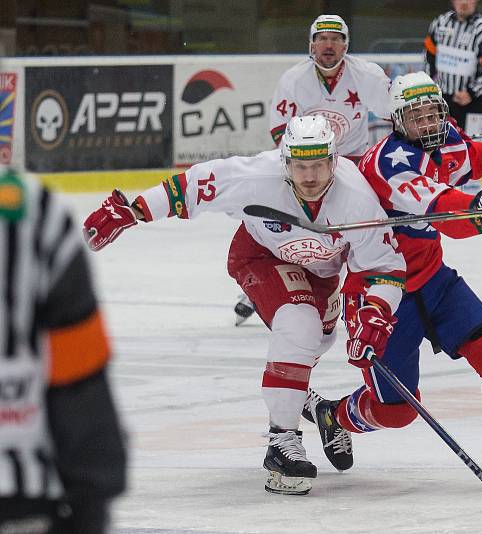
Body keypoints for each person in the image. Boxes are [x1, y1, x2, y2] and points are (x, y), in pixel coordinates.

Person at [82, 116, 405, 496]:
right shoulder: (256, 177)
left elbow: (385, 267)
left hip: (321, 274)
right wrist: (134, 210)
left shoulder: (357, 197)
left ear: (333, 161)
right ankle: (282, 442)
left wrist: (377, 310)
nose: (310, 175)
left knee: (319, 340)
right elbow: (192, 186)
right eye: (300, 165)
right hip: (260, 257)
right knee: (299, 325)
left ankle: (307, 401)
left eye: (318, 164)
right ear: (285, 161)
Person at [303, 72, 482, 486]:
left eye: (433, 113)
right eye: (416, 117)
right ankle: (335, 416)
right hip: (383, 294)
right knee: (396, 412)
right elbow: (445, 212)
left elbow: (474, 156)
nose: (428, 124)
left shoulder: (445, 137)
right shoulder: (388, 165)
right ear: (397, 122)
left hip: (435, 282)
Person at [235, 13, 394, 326]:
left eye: (336, 38)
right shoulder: (294, 79)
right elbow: (281, 131)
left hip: (353, 163)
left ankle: (369, 289)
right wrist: (297, 170)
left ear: (346, 44)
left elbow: (396, 113)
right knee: (284, 225)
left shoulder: (367, 75)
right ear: (311, 44)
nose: (328, 44)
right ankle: (261, 287)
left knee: (362, 228)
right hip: (308, 166)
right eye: (321, 38)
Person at [0, 166, 127, 533]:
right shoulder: (34, 214)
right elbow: (79, 379)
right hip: (20, 495)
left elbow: (78, 370)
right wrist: (93, 496)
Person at [423, 0, 482, 138]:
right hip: (442, 100)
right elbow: (429, 57)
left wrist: (471, 92)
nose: (464, 2)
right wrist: (430, 87)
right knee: (441, 144)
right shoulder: (440, 23)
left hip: (473, 102)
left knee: (474, 145)